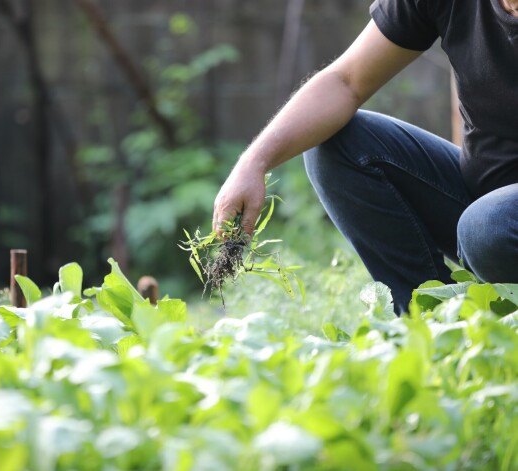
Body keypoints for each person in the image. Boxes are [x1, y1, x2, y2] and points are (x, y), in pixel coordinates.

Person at [212, 0, 518, 314]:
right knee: (338, 142)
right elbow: (346, 80)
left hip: (496, 223)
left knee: (486, 226)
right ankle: (430, 323)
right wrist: (254, 162)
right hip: (484, 203)